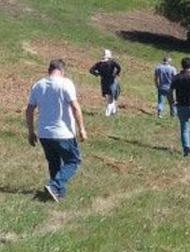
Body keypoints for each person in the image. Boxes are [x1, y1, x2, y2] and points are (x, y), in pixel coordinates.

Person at [26, 59, 88, 202]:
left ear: (49, 70)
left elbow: (29, 109)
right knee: (73, 161)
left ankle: (58, 194)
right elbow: (75, 107)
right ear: (62, 70)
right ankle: (54, 185)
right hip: (63, 133)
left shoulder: (38, 85)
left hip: (44, 133)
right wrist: (82, 129)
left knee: (54, 163)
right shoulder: (66, 83)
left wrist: (30, 131)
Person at [170, 57, 190, 156]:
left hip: (180, 105)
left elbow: (170, 92)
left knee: (184, 127)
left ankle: (186, 148)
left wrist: (172, 102)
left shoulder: (176, 77)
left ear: (182, 65)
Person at [89, 49, 122, 116]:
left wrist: (97, 74)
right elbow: (119, 67)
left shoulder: (99, 64)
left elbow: (91, 70)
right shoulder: (112, 62)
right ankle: (107, 114)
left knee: (109, 96)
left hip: (103, 81)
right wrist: (115, 73)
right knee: (112, 97)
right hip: (111, 81)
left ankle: (113, 111)